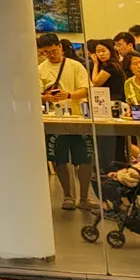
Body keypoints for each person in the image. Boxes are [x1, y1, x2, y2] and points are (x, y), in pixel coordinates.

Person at [38, 36, 92, 210]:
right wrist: (47, 97)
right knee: (60, 158)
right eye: (46, 52)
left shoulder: (76, 66)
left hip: (77, 117)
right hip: (55, 118)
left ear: (60, 47)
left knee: (85, 157)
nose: (51, 55)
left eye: (53, 51)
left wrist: (68, 95)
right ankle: (68, 195)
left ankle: (84, 197)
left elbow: (86, 89)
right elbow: (36, 92)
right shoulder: (40, 69)